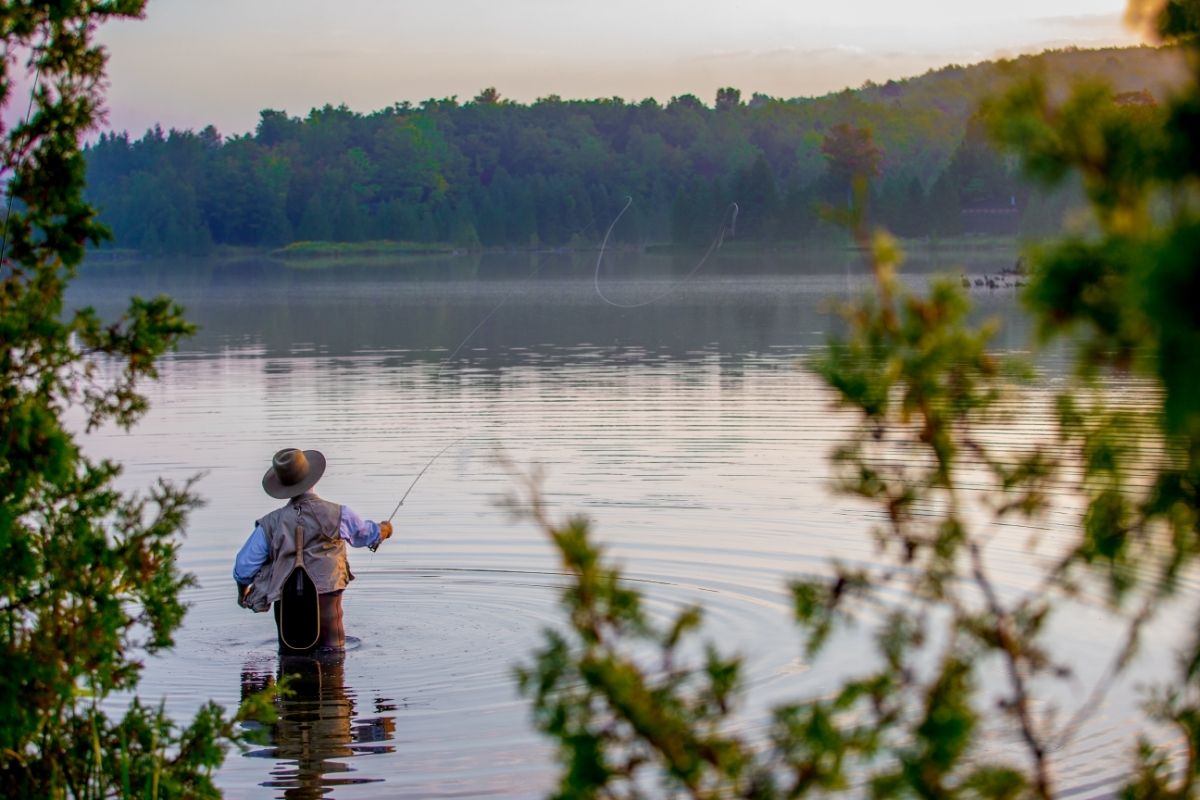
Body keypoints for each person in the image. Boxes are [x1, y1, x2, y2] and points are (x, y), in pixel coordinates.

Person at [234, 447, 393, 652]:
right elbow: (366, 535)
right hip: (330, 626)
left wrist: (242, 594)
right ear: (313, 479)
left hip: (288, 623)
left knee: (289, 666)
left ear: (281, 486)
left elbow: (243, 567)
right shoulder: (339, 514)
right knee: (333, 661)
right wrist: (385, 530)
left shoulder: (269, 524)